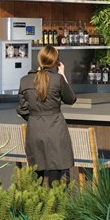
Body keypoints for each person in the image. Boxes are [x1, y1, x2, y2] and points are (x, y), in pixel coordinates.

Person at [17, 45, 77, 185]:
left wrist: (35, 118)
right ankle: (54, 200)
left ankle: (35, 199)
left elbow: (22, 108)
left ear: (39, 59)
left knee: (35, 174)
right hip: (55, 128)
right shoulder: (57, 79)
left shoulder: (25, 80)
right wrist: (62, 74)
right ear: (55, 62)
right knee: (55, 175)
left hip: (35, 130)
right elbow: (71, 99)